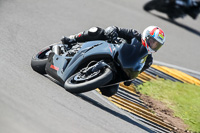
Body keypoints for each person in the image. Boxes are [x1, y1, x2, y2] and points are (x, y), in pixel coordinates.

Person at [61, 26, 166, 96]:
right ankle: (73, 39)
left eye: (157, 45)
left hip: (119, 68)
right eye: (152, 41)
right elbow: (117, 29)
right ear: (146, 36)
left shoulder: (148, 60)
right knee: (96, 31)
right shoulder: (134, 34)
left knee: (111, 91)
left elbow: (138, 71)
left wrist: (130, 77)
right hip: (111, 50)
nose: (153, 45)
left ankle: (90, 78)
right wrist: (112, 31)